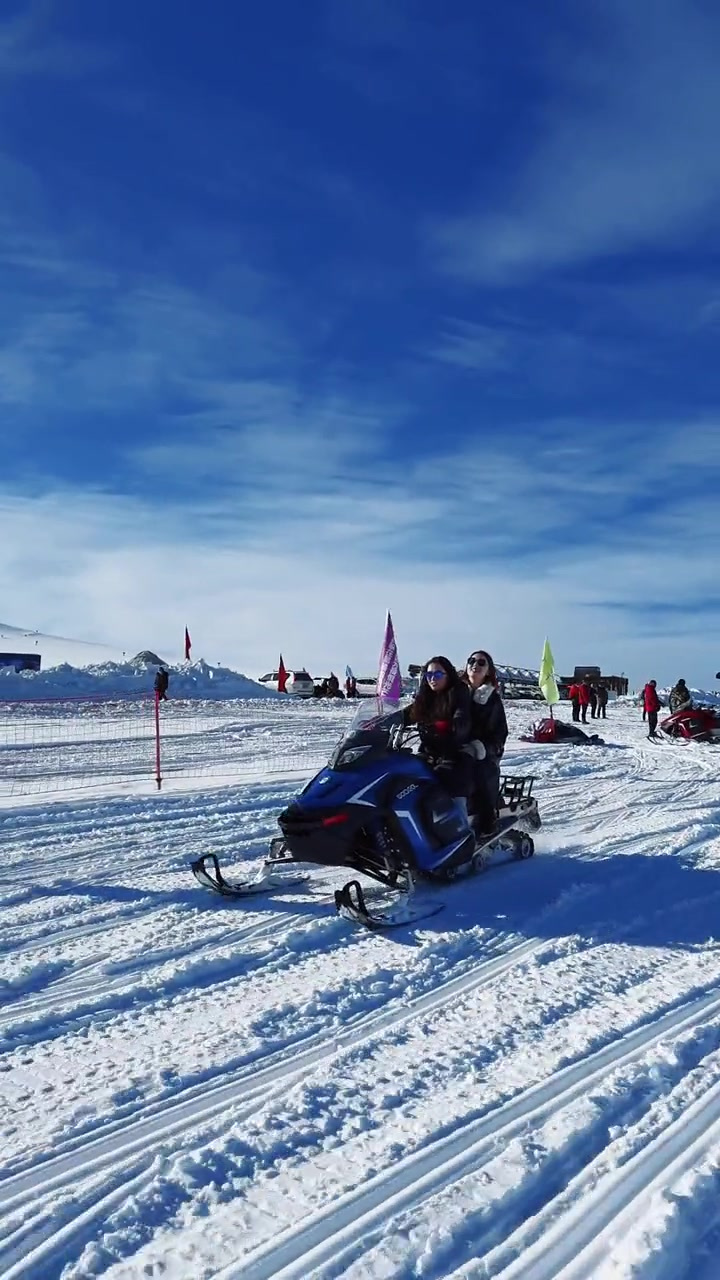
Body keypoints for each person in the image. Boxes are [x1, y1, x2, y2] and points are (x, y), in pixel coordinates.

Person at [402, 655, 474, 819]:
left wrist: (450, 725)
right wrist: (377, 723)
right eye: (429, 675)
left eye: (438, 674)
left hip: (454, 753)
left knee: (452, 785)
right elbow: (407, 714)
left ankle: (462, 834)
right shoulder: (425, 697)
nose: (433, 679)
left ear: (448, 674)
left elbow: (462, 717)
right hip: (429, 753)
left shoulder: (458, 691)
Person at [461, 650, 508, 838]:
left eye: (481, 662)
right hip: (453, 747)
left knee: (479, 773)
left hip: (483, 754)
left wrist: (481, 747)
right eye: (471, 660)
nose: (475, 665)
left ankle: (487, 821)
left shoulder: (492, 699)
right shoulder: (456, 692)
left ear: (488, 670)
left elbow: (500, 734)